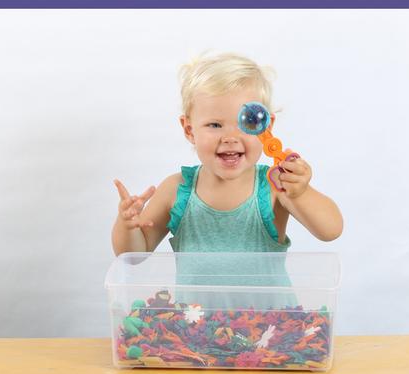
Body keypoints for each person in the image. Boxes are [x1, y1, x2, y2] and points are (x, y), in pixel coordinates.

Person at [111, 52, 343, 309]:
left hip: (271, 332)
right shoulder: (176, 190)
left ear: (267, 128)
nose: (230, 137)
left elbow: (330, 230)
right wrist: (128, 226)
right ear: (189, 130)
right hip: (196, 331)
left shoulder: (275, 187)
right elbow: (132, 256)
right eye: (214, 124)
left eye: (246, 123)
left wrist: (301, 193)